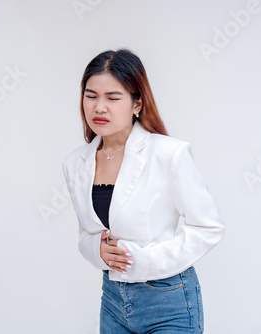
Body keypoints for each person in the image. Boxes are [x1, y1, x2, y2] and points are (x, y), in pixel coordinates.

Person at [62, 48, 226, 333]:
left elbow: (208, 227)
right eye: (91, 96)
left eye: (113, 98)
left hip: (169, 300)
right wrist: (96, 250)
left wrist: (144, 261)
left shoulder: (169, 154)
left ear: (137, 104)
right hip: (113, 301)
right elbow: (87, 234)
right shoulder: (75, 163)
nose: (99, 107)